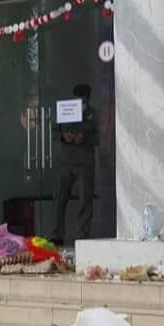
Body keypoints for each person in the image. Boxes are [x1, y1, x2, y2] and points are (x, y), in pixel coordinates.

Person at [49, 83, 98, 245]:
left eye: (82, 98)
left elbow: (101, 138)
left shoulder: (93, 114)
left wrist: (85, 138)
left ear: (88, 98)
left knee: (85, 200)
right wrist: (64, 136)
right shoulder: (65, 111)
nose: (80, 101)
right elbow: (54, 132)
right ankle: (57, 235)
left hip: (84, 162)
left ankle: (82, 236)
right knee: (59, 198)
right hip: (65, 161)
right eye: (77, 98)